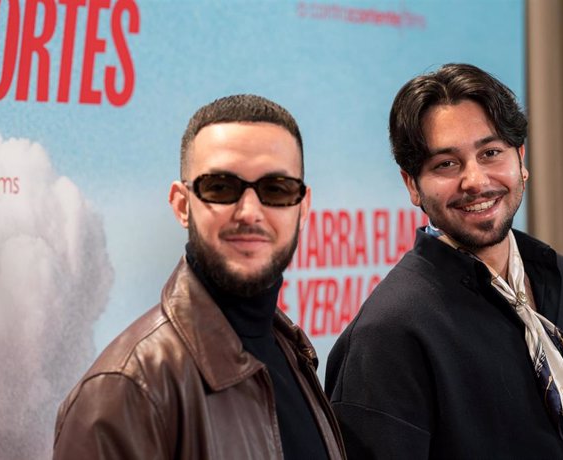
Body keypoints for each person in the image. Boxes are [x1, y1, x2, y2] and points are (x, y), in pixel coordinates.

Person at [325, 64, 563, 460]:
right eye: (446, 164)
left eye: (491, 153)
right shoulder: (387, 335)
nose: (475, 181)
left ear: (521, 159)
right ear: (412, 184)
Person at [53, 95, 346, 459]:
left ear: (302, 208)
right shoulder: (125, 391)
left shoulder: (290, 349)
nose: (250, 212)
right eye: (221, 188)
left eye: (276, 189)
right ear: (181, 205)